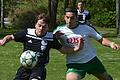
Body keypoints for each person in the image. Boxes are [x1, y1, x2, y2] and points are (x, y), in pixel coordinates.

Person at [0, 13, 83, 80]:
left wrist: (77, 48)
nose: (41, 28)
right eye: (39, 25)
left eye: (44, 26)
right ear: (35, 24)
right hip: (25, 67)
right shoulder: (28, 33)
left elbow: (63, 49)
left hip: (39, 69)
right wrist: (4, 40)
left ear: (48, 27)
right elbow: (11, 36)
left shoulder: (51, 38)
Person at [53, 7, 120, 80]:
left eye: (72, 18)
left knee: (107, 78)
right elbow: (49, 41)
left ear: (76, 18)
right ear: (64, 17)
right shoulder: (59, 30)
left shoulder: (86, 28)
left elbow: (101, 39)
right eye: (67, 17)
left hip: (91, 60)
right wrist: (55, 37)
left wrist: (111, 44)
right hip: (74, 64)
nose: (69, 20)